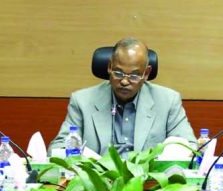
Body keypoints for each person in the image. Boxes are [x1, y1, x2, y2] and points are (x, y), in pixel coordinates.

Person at [48, 37, 196, 157]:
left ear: (146, 73)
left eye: (134, 75)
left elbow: (189, 145)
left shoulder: (168, 101)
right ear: (109, 67)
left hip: (148, 185)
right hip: (98, 184)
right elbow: (57, 148)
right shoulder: (82, 101)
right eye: (118, 73)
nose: (125, 81)